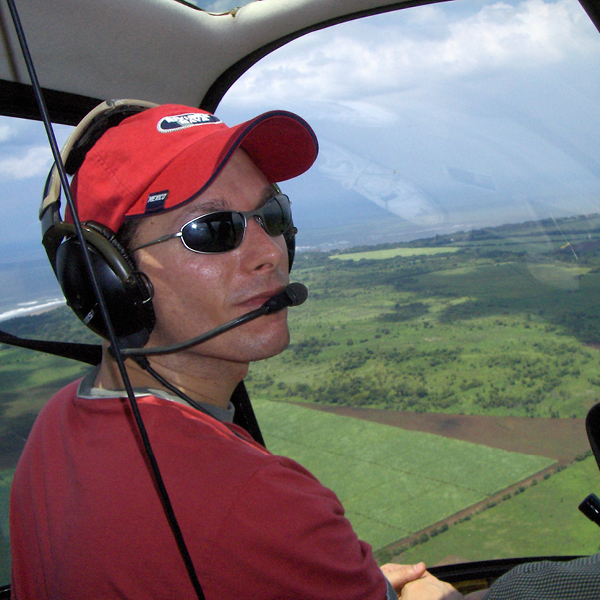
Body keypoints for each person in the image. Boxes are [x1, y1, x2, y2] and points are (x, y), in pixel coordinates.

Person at [10, 102, 429, 599]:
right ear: (106, 276)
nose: (271, 252)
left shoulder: (57, 424)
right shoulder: (260, 502)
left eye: (271, 215)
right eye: (213, 230)